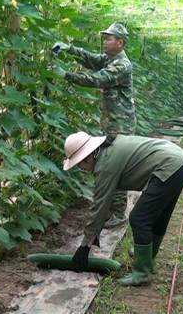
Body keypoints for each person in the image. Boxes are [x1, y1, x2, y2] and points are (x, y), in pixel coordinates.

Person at [63, 131, 183, 286]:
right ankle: (148, 258)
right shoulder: (108, 151)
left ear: (87, 156)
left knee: (139, 218)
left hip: (169, 165)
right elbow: (108, 200)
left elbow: (100, 207)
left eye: (78, 164)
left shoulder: (105, 165)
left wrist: (84, 246)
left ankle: (142, 273)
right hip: (181, 163)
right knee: (159, 217)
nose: (79, 168)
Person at [50, 22, 136, 228]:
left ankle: (118, 213)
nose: (105, 42)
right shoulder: (110, 59)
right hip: (112, 123)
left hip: (120, 125)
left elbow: (96, 80)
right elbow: (91, 59)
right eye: (105, 38)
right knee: (109, 164)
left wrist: (66, 75)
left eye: (109, 38)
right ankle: (110, 210)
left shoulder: (122, 65)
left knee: (116, 167)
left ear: (120, 43)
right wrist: (69, 49)